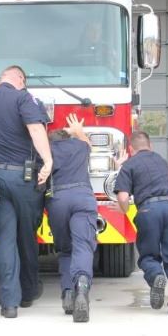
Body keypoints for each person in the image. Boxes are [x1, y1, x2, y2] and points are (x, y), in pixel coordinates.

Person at [0, 65, 52, 318]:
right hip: (23, 177)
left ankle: (9, 303)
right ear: (21, 79)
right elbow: (35, 128)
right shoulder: (23, 97)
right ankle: (29, 292)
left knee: (6, 239)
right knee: (27, 234)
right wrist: (48, 161)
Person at [115, 130, 168, 315]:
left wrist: (124, 210)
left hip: (148, 210)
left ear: (130, 149)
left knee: (148, 256)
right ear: (150, 145)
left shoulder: (129, 165)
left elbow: (123, 197)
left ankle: (156, 276)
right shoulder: (161, 161)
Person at [46, 114, 97, 323]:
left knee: (66, 249)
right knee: (83, 246)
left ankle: (68, 292)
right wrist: (77, 131)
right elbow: (87, 143)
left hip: (58, 199)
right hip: (83, 197)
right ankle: (82, 287)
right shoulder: (79, 147)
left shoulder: (47, 151)